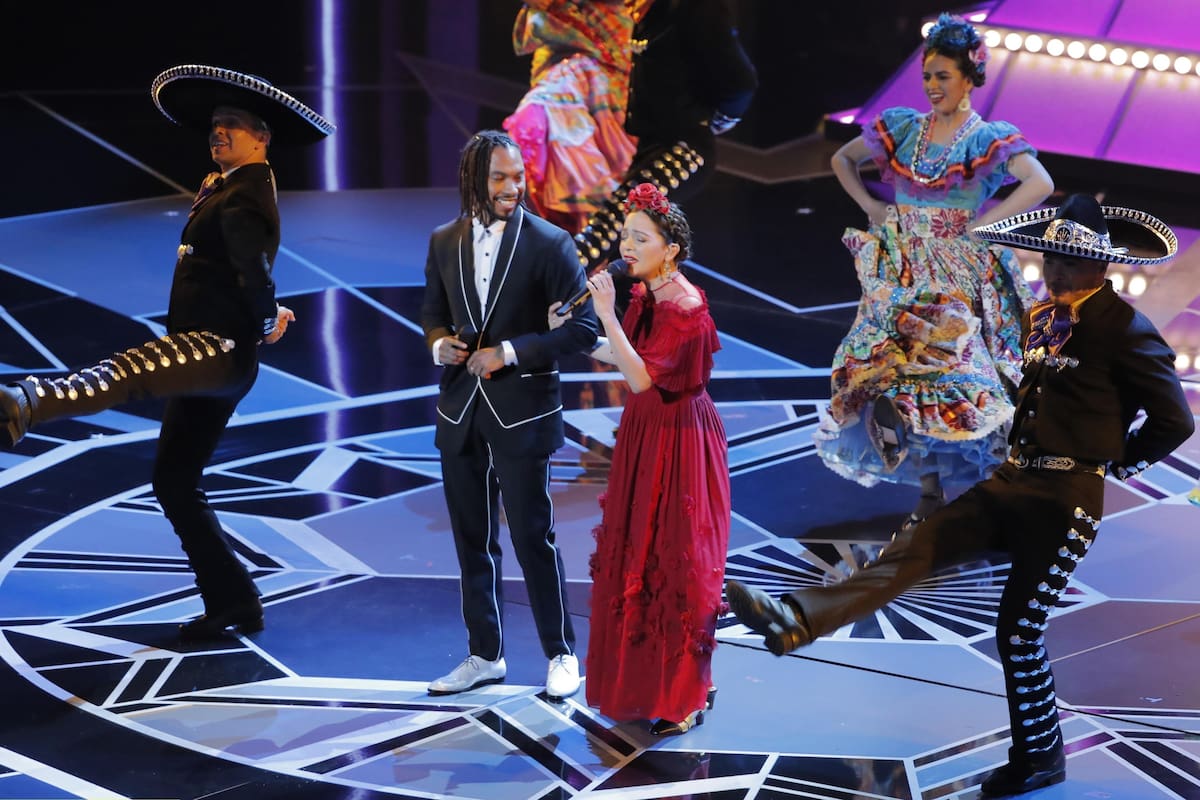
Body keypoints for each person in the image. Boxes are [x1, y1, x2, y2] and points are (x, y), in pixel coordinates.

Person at [726, 194, 1194, 796]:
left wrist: (1114, 463)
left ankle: (1041, 759)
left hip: (1065, 501)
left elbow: (1174, 421)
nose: (1054, 270)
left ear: (1101, 267)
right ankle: (794, 621)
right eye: (1050, 257)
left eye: (1069, 261)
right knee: (913, 549)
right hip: (1013, 480)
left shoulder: (1127, 330)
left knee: (1018, 633)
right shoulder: (1041, 319)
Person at [0, 65, 333, 641]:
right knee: (176, 482)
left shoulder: (246, 196)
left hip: (215, 351)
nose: (218, 133)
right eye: (214, 125)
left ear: (261, 136)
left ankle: (27, 402)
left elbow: (253, 271)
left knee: (130, 372)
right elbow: (246, 276)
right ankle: (235, 602)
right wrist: (265, 314)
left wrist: (259, 319)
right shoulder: (231, 187)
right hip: (213, 346)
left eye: (231, 125)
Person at [818, 13, 1054, 534]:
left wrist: (984, 225)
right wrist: (873, 209)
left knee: (952, 376)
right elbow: (842, 158)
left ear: (970, 76)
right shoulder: (905, 127)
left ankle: (988, 489)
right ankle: (928, 492)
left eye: (943, 76)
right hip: (901, 264)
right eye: (927, 76)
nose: (932, 87)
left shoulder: (985, 138)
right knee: (897, 375)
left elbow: (1039, 181)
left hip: (956, 269)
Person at [420, 129, 599, 700]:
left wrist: (511, 351)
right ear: (475, 178)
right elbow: (433, 315)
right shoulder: (444, 240)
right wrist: (439, 346)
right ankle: (484, 654)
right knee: (472, 539)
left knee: (531, 534)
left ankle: (561, 653)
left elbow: (583, 328)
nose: (512, 188)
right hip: (460, 411)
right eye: (500, 177)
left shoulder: (550, 243)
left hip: (522, 409)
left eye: (518, 177)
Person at [552, 182, 730, 735]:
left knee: (680, 562)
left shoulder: (686, 305)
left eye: (640, 238)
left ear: (670, 246)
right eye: (625, 235)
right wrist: (580, 333)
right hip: (647, 434)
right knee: (642, 558)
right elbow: (630, 357)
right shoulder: (648, 292)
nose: (627, 246)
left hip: (680, 441)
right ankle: (665, 680)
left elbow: (640, 377)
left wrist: (602, 312)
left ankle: (689, 693)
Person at [573, 0, 758, 272]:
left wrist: (710, 122)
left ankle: (536, 295)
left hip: (684, 147)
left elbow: (741, 81)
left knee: (608, 229)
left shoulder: (696, 8)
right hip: (651, 145)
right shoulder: (648, 13)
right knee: (620, 254)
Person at [501, 0, 638, 235]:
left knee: (580, 137)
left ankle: (589, 225)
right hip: (566, 54)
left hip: (603, 55)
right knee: (543, 123)